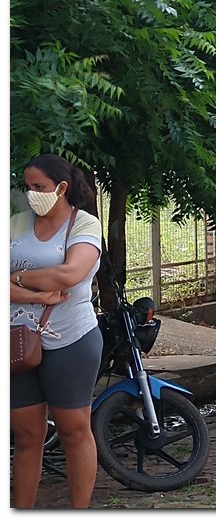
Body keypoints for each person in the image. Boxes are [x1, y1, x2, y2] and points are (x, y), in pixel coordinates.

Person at [10, 154, 103, 508]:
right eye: (28, 186)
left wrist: (16, 278)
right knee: (27, 434)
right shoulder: (16, 224)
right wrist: (35, 289)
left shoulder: (84, 224)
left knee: (73, 429)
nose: (32, 194)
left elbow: (70, 275)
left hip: (72, 338)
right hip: (17, 339)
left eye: (39, 187)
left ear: (61, 188)